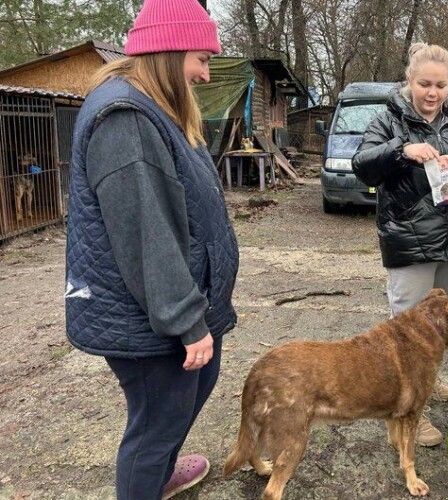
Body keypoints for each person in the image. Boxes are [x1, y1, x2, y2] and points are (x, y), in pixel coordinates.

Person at [64, 0, 239, 498]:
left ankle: (160, 473)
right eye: (201, 59)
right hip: (146, 315)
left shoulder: (158, 107)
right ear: (167, 52)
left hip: (179, 303)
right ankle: (148, 478)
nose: (206, 74)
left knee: (189, 397)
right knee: (154, 426)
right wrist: (186, 320)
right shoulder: (126, 118)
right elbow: (146, 234)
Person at [352, 43, 448, 447]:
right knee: (407, 327)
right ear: (409, 82)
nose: (432, 93)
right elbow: (361, 163)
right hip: (408, 236)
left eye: (439, 85)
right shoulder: (389, 118)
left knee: (440, 320)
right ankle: (406, 414)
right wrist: (402, 151)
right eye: (424, 84)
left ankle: (429, 376)